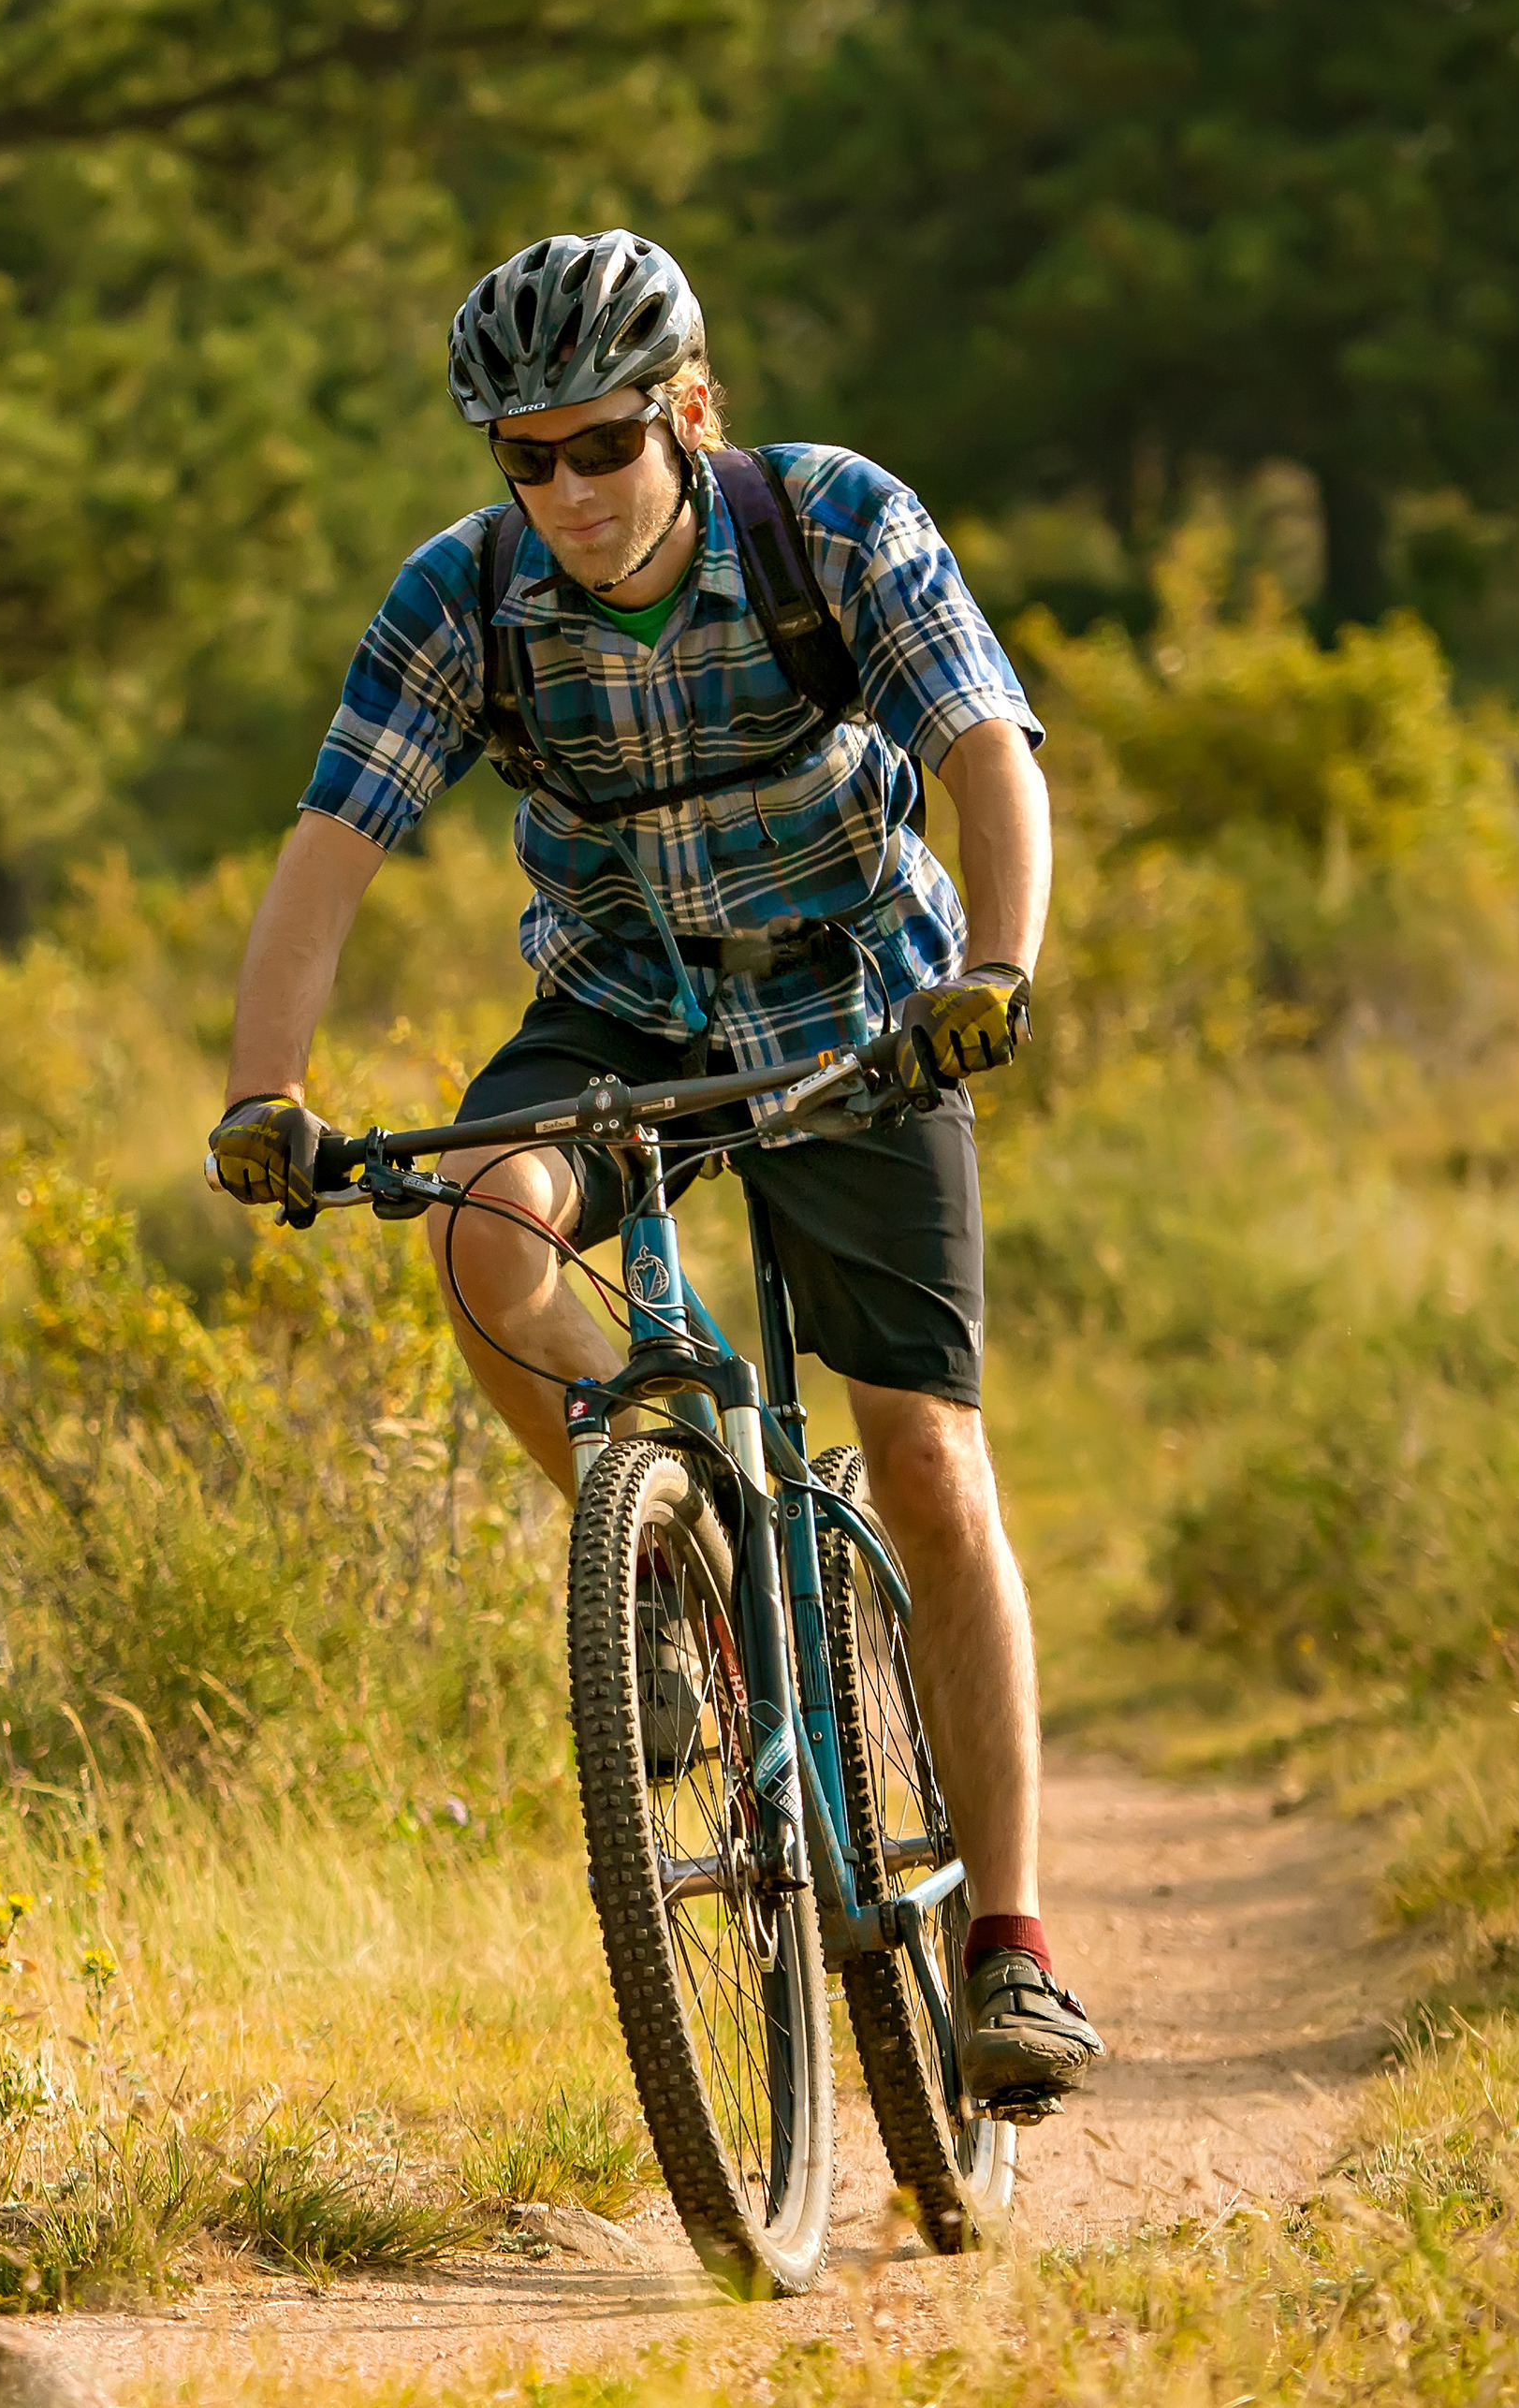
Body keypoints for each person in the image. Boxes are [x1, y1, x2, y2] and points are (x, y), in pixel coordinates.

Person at [200, 230, 1105, 2111]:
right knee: (477, 1229)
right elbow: (327, 846)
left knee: (927, 1456)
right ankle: (677, 1571)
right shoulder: (461, 600)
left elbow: (984, 752)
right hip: (618, 1008)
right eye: (519, 457)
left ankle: (1008, 1942)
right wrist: (261, 1091)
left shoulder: (834, 527)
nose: (560, 492)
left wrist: (989, 969)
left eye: (595, 445)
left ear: (684, 411)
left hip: (862, 1005)